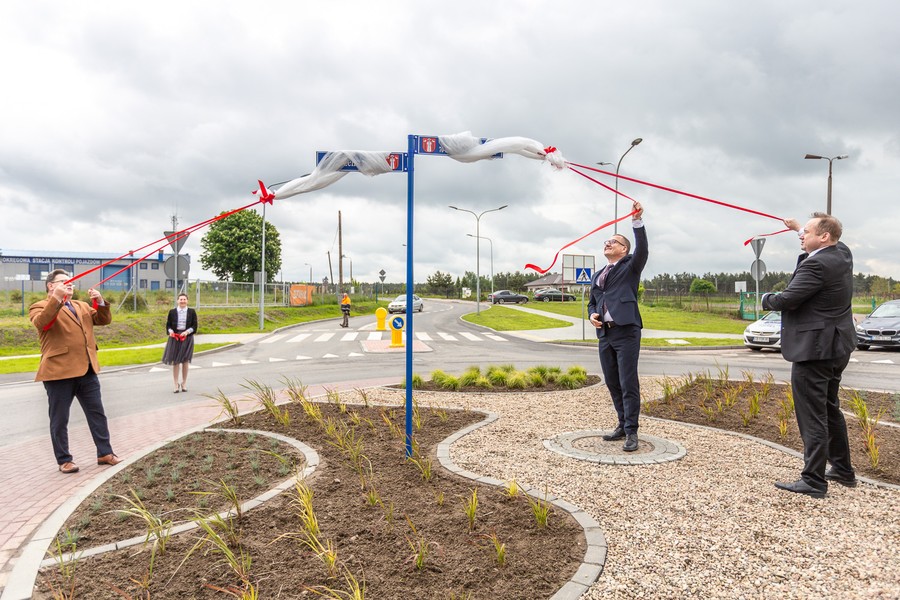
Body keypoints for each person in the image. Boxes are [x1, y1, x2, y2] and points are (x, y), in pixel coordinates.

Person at [761, 213, 857, 498]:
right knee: (829, 407)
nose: (802, 235)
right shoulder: (842, 253)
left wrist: (767, 298)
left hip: (815, 350)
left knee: (812, 414)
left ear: (824, 236)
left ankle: (813, 480)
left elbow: (787, 300)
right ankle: (842, 469)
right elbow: (817, 240)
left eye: (807, 232)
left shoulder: (816, 264)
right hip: (837, 347)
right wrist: (796, 229)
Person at [29, 269, 122, 474]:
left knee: (97, 413)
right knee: (60, 419)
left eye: (71, 281)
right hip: (58, 372)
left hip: (87, 369)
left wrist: (100, 302)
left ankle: (105, 453)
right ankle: (64, 459)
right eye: (64, 281)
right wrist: (57, 299)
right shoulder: (40, 306)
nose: (69, 283)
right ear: (51, 286)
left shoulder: (81, 305)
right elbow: (42, 323)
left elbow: (103, 320)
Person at [588, 201, 648, 452]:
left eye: (613, 241)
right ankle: (622, 424)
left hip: (626, 331)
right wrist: (592, 315)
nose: (607, 243)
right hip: (605, 334)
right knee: (612, 381)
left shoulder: (631, 265)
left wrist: (637, 221)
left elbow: (643, 248)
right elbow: (593, 302)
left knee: (627, 380)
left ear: (624, 249)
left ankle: (632, 431)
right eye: (606, 241)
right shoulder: (598, 273)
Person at [162, 293, 198, 393]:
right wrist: (171, 332)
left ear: (187, 301)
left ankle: (184, 383)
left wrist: (186, 332)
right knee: (176, 362)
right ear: (177, 301)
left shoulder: (191, 312)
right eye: (180, 299)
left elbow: (194, 326)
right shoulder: (172, 312)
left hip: (187, 338)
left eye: (184, 299)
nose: (182, 301)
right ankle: (175, 384)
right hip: (175, 338)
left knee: (185, 361)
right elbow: (168, 325)